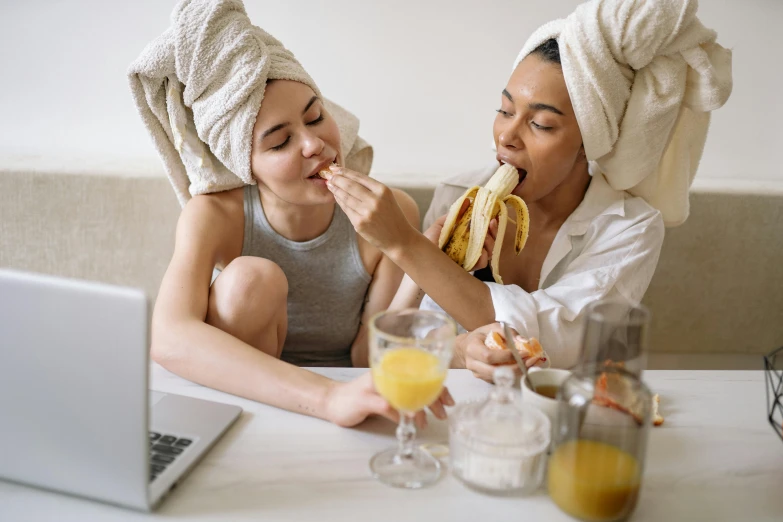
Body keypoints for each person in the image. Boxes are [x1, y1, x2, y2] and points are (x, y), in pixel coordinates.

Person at [325, 0, 732, 381]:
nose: (507, 137)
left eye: (541, 124)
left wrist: (405, 244)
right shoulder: (457, 195)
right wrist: (458, 339)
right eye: (504, 111)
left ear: (590, 140)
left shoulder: (630, 229)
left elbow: (555, 344)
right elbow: (419, 342)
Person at [128, 0, 452, 426]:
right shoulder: (215, 215)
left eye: (316, 117)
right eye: (280, 143)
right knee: (249, 278)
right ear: (246, 165)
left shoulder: (387, 210)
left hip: (353, 398)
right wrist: (327, 399)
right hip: (255, 405)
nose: (314, 144)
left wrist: (414, 252)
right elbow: (169, 338)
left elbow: (366, 357)